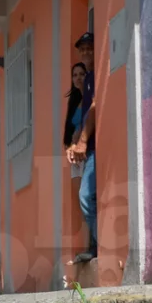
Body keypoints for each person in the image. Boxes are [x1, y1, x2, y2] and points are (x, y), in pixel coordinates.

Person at [66, 32, 97, 263]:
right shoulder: (87, 82)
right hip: (87, 148)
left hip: (94, 146)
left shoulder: (94, 78)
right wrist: (75, 144)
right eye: (82, 48)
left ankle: (99, 247)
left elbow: (94, 108)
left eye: (89, 48)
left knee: (86, 195)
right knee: (88, 197)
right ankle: (95, 246)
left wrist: (83, 141)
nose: (85, 52)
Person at [63, 62, 88, 179]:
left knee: (86, 194)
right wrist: (68, 147)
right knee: (79, 195)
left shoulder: (91, 98)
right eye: (75, 75)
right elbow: (69, 127)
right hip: (74, 154)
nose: (78, 78)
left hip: (85, 150)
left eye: (82, 74)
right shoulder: (74, 101)